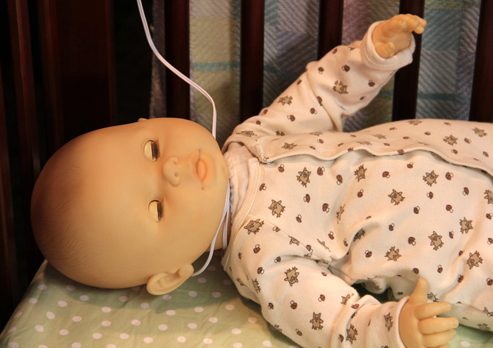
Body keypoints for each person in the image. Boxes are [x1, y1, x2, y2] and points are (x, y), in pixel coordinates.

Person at [31, 14, 492, 348]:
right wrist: (395, 331)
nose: (170, 169)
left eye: (151, 149)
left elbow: (321, 95)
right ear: (171, 274)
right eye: (157, 206)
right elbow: (336, 322)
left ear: (144, 120)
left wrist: (370, 57)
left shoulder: (249, 139)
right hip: (467, 256)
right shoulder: (262, 261)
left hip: (474, 147)